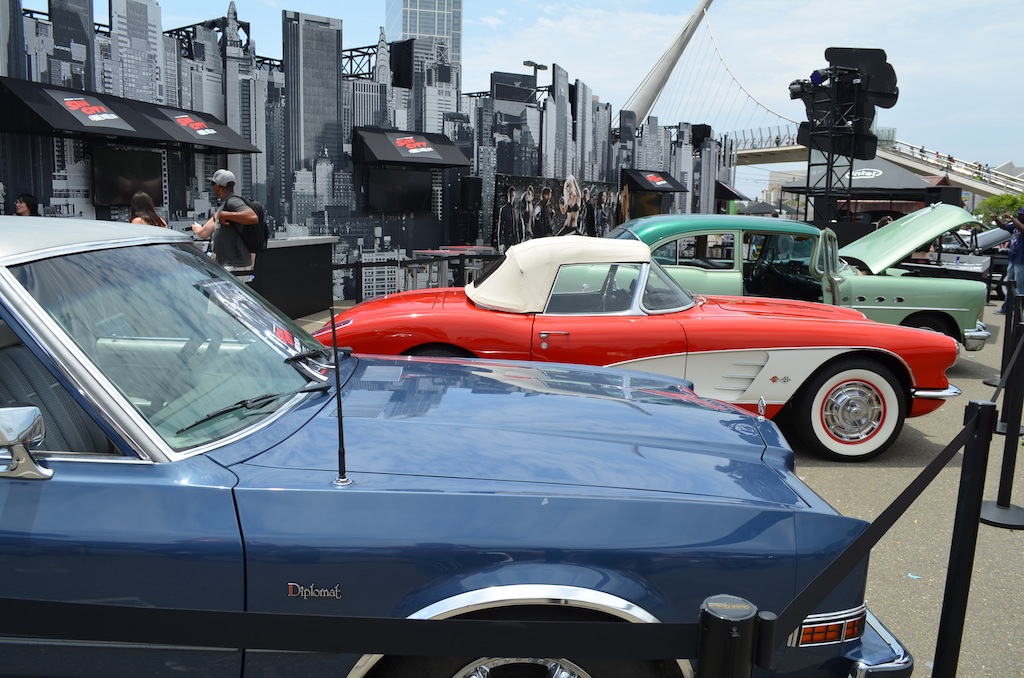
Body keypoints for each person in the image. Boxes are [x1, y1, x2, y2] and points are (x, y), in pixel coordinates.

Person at [192, 169, 258, 271]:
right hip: (229, 264)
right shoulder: (225, 203)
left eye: (213, 184)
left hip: (234, 265)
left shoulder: (232, 201)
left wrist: (225, 214)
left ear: (218, 186)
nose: (212, 187)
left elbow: (252, 217)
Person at [997, 208, 1024, 314]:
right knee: (1010, 286)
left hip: (1021, 261)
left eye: (1021, 215)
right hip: (1013, 259)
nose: (1019, 216)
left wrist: (1012, 217)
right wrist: (996, 220)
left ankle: (1019, 312)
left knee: (1019, 289)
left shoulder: (1020, 226)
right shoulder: (1015, 226)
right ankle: (1006, 309)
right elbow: (1004, 227)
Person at [495, 185, 520, 252]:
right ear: (508, 195)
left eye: (513, 196)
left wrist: (519, 241)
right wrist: (501, 243)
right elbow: (501, 227)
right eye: (511, 195)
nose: (512, 197)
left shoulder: (516, 209)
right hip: (507, 241)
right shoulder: (504, 209)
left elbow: (518, 226)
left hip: (515, 241)